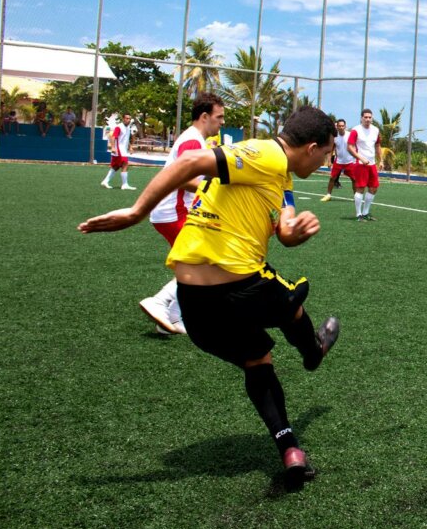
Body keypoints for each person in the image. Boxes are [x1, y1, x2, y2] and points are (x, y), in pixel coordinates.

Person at [79, 106, 341, 487]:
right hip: (239, 286)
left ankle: (289, 448)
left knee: (258, 359)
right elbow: (189, 160)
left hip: (195, 302)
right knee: (291, 303)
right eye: (327, 154)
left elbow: (282, 226)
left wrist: (293, 233)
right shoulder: (267, 153)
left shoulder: (278, 176)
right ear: (312, 147)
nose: (325, 163)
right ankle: (314, 353)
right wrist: (137, 212)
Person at [140, 94, 225, 335]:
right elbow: (186, 179)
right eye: (219, 117)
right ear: (205, 116)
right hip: (174, 211)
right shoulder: (192, 141)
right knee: (203, 261)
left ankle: (174, 319)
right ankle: (161, 303)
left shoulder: (196, 140)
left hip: (174, 210)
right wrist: (213, 191)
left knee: (201, 261)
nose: (221, 123)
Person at [346, 109, 381, 221]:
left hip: (372, 164)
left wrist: (381, 161)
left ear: (372, 118)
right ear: (361, 118)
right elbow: (350, 147)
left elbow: (378, 146)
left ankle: (366, 213)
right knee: (360, 188)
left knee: (374, 188)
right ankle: (358, 214)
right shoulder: (356, 130)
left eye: (369, 117)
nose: (367, 119)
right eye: (365, 117)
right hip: (360, 164)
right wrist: (360, 158)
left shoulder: (376, 130)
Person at [320, 119, 355, 203]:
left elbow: (355, 147)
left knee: (354, 179)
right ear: (337, 127)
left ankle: (356, 197)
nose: (341, 127)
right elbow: (331, 149)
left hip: (350, 161)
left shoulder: (350, 135)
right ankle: (328, 195)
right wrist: (329, 161)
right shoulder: (334, 137)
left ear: (345, 126)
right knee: (332, 178)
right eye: (339, 126)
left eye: (342, 126)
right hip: (338, 161)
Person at [101, 113, 136, 190]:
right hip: (118, 149)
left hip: (123, 150)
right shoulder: (119, 127)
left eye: (130, 119)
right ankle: (125, 184)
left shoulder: (128, 128)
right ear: (123, 119)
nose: (128, 120)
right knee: (125, 164)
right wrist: (113, 147)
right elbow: (113, 137)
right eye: (127, 118)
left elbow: (126, 139)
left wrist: (130, 147)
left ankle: (105, 181)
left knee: (116, 166)